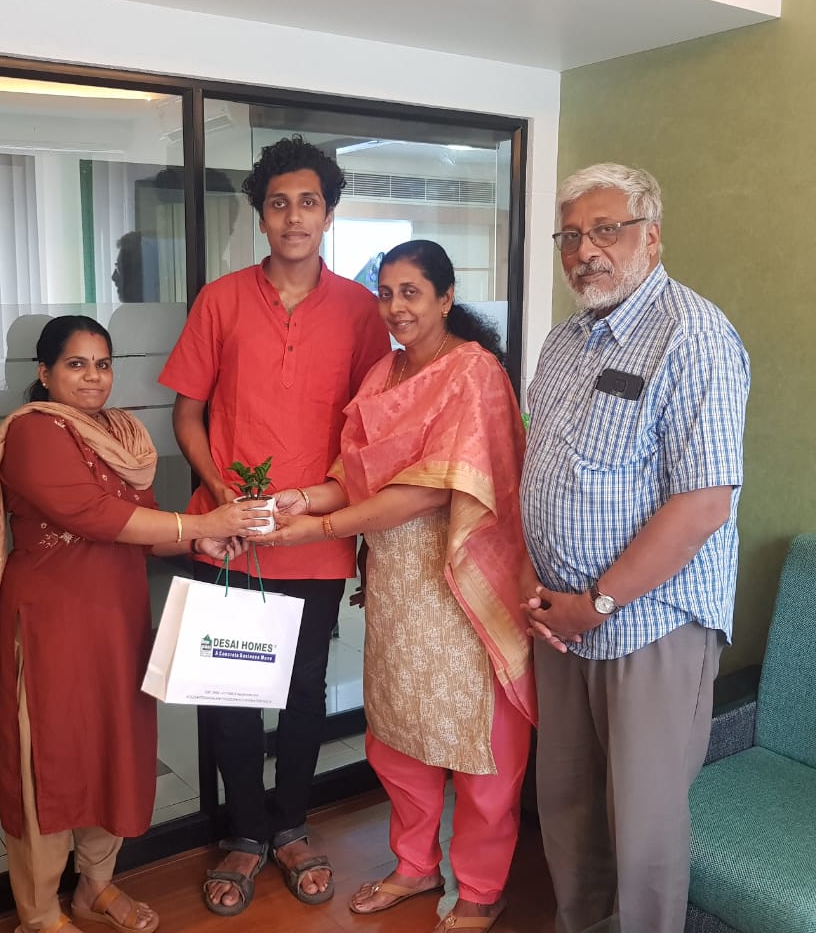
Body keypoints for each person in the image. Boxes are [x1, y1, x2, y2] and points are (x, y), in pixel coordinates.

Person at [252, 240, 537, 933]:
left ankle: (481, 889)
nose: (395, 307)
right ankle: (415, 867)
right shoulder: (383, 374)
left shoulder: (473, 373)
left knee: (477, 743)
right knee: (399, 734)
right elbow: (353, 477)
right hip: (396, 587)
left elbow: (428, 491)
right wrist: (300, 500)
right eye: (385, 293)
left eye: (411, 292)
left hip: (460, 581)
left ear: (445, 298)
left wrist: (323, 529)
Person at [0, 315, 264, 933]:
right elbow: (94, 515)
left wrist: (197, 544)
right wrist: (203, 523)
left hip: (118, 621)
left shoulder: (120, 434)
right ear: (44, 373)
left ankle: (94, 887)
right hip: (50, 625)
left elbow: (142, 529)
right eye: (75, 364)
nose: (93, 378)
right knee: (49, 760)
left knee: (114, 750)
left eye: (102, 364)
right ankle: (40, 913)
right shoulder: (32, 432)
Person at [158, 135, 391, 915]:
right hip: (226, 535)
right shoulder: (221, 301)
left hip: (314, 539)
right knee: (228, 692)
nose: (294, 217)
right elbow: (187, 413)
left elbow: (368, 432)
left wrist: (329, 505)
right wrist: (219, 493)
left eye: (308, 203)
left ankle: (291, 824)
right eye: (279, 203)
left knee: (302, 692)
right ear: (261, 216)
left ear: (329, 214)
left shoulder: (360, 312)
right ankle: (245, 834)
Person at [520, 163, 750, 933]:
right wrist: (537, 581)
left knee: (642, 829)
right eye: (571, 235)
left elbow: (704, 504)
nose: (585, 250)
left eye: (606, 230)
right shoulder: (564, 341)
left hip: (649, 623)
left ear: (651, 237)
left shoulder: (693, 335)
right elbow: (540, 467)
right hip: (562, 621)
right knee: (568, 806)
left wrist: (599, 602)